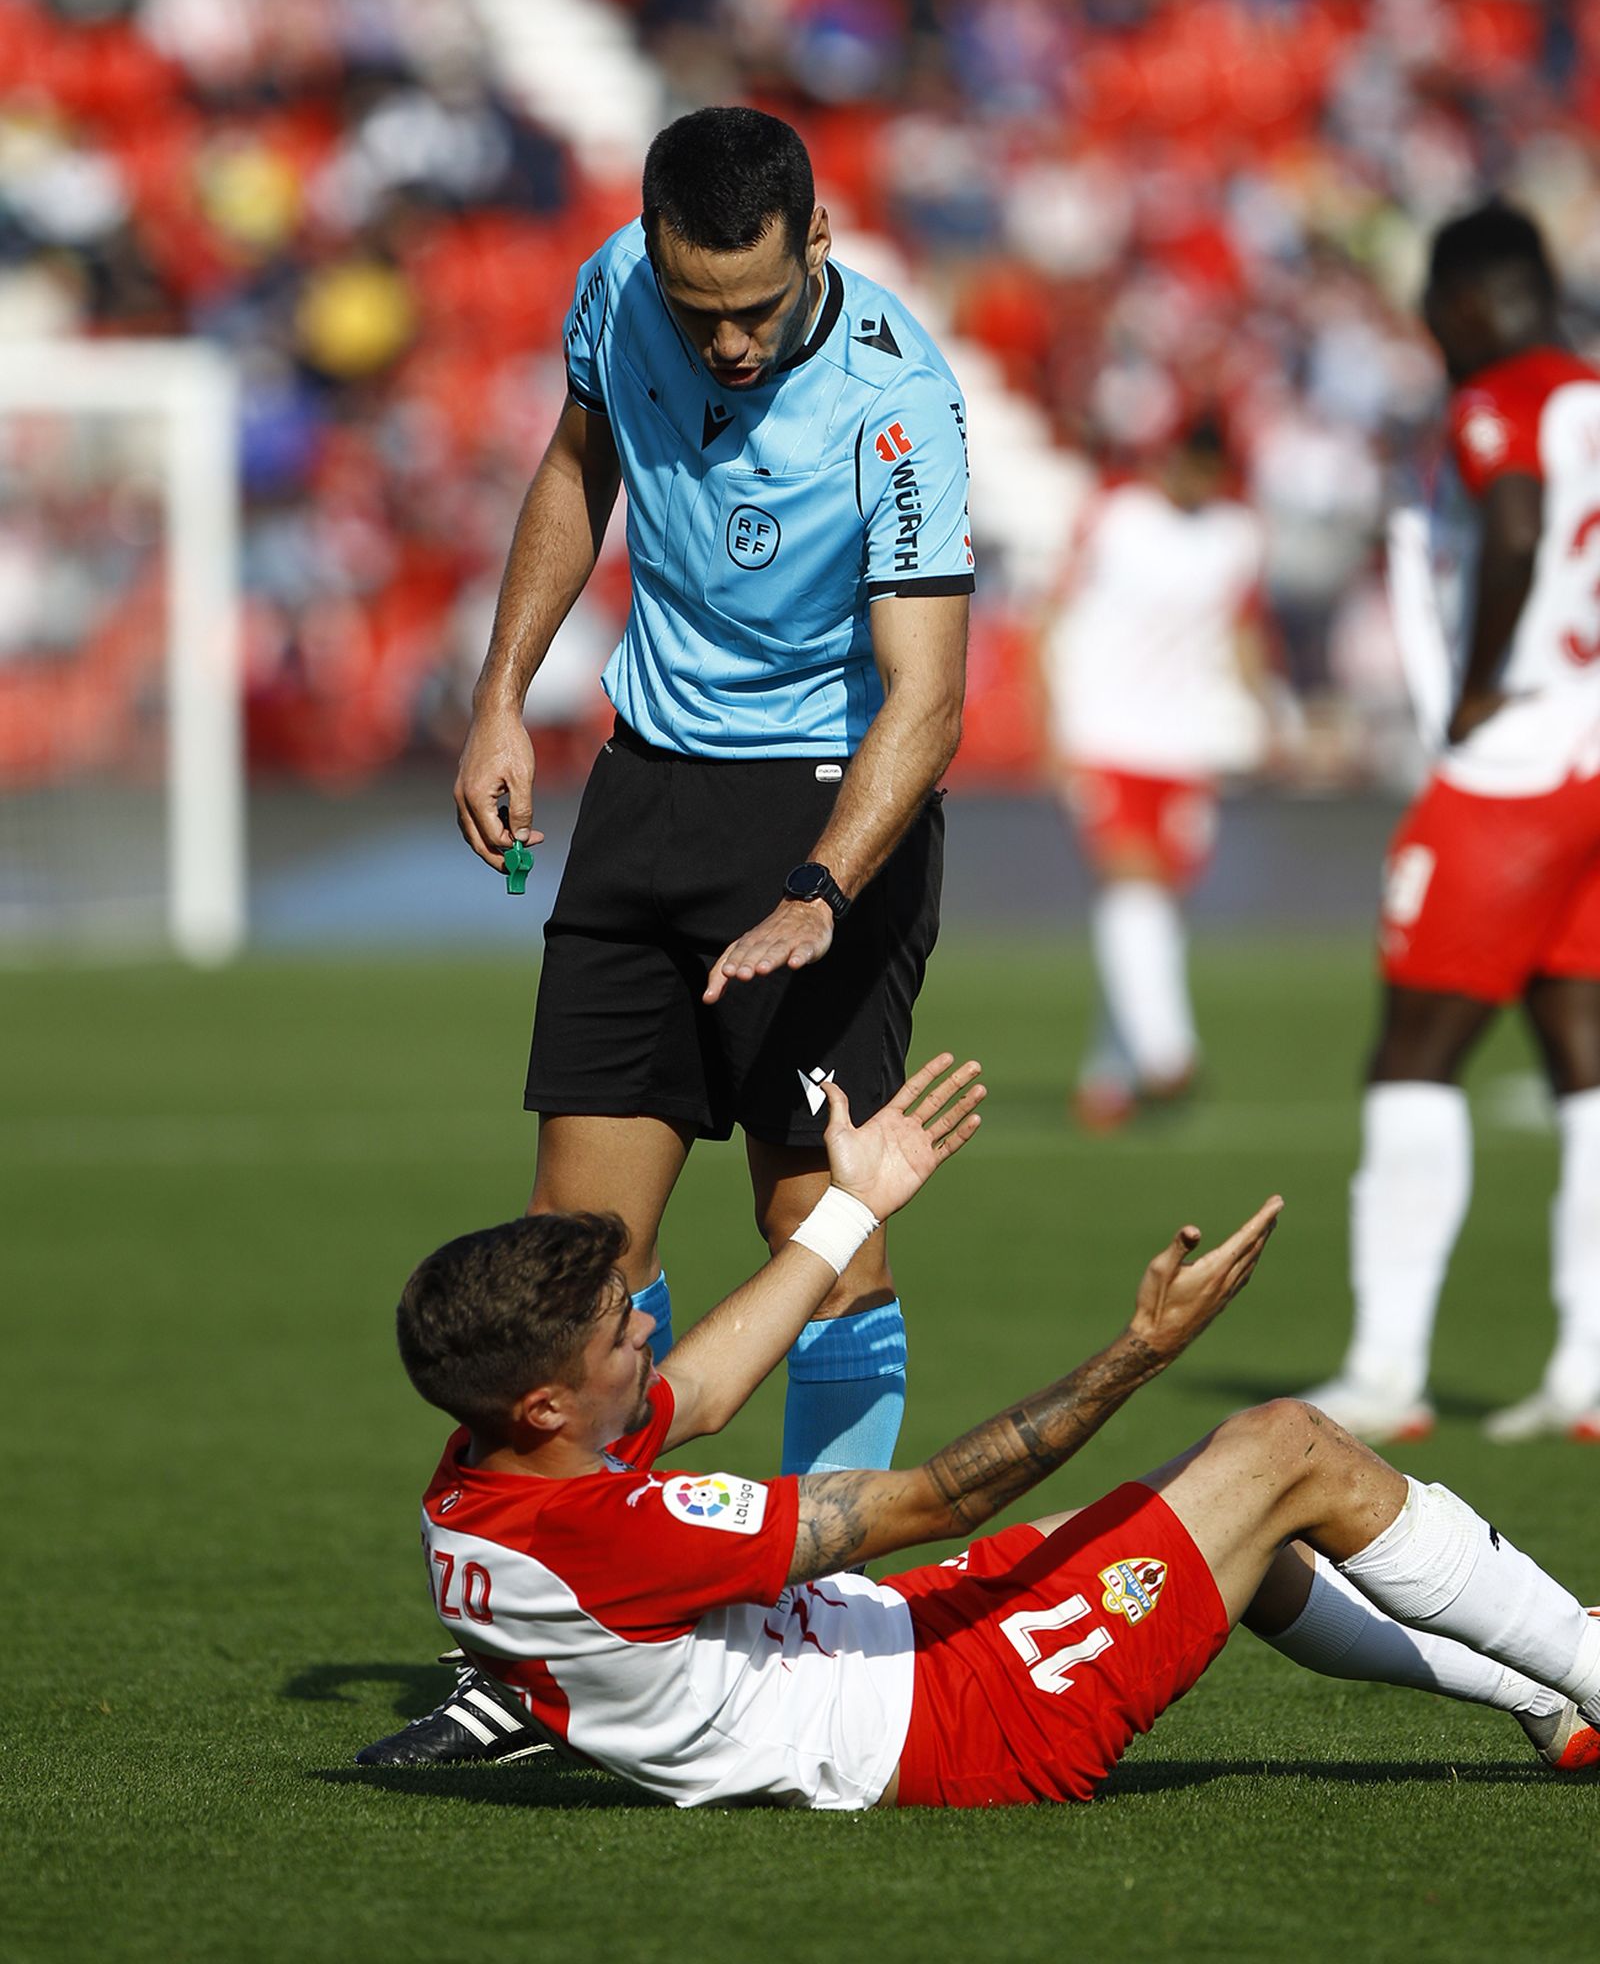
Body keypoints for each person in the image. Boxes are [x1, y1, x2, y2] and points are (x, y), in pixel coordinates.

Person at [360, 1050, 1600, 1798]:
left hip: (899, 1652)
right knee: (1287, 1445)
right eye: (613, 1326)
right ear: (546, 1400)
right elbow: (936, 1502)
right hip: (963, 1721)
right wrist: (1140, 1353)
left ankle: (1545, 1693)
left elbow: (713, 1385)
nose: (643, 1325)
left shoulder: (490, 1473)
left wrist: (847, 1213)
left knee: (1245, 1542)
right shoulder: (603, 1532)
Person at [452, 103, 972, 1488]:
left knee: (823, 1229)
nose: (727, 342)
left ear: (817, 234)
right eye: (700, 311)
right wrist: (504, 693)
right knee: (575, 1262)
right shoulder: (615, 288)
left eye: (753, 307)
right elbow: (579, 465)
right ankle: (603, 1607)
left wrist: (819, 890)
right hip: (644, 792)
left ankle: (816, 1619)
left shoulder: (899, 401)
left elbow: (927, 702)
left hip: (820, 813)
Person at [1305, 200, 1600, 1445]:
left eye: (1437, 307)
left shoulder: (1505, 399)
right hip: (1591, 753)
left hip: (1513, 763)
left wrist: (1480, 681)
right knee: (1581, 1053)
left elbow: (1522, 520)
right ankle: (1586, 1370)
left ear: (1476, 302)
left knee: (1411, 1055)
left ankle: (1384, 1372)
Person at [1039, 416, 1270, 1130]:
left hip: (1188, 742)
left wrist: (1259, 714)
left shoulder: (1237, 537)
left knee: (1153, 912)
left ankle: (1108, 1077)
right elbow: (1047, 616)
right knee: (1131, 880)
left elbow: (1240, 631)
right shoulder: (1115, 517)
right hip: (1105, 730)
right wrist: (1046, 721)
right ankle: (1168, 1049)